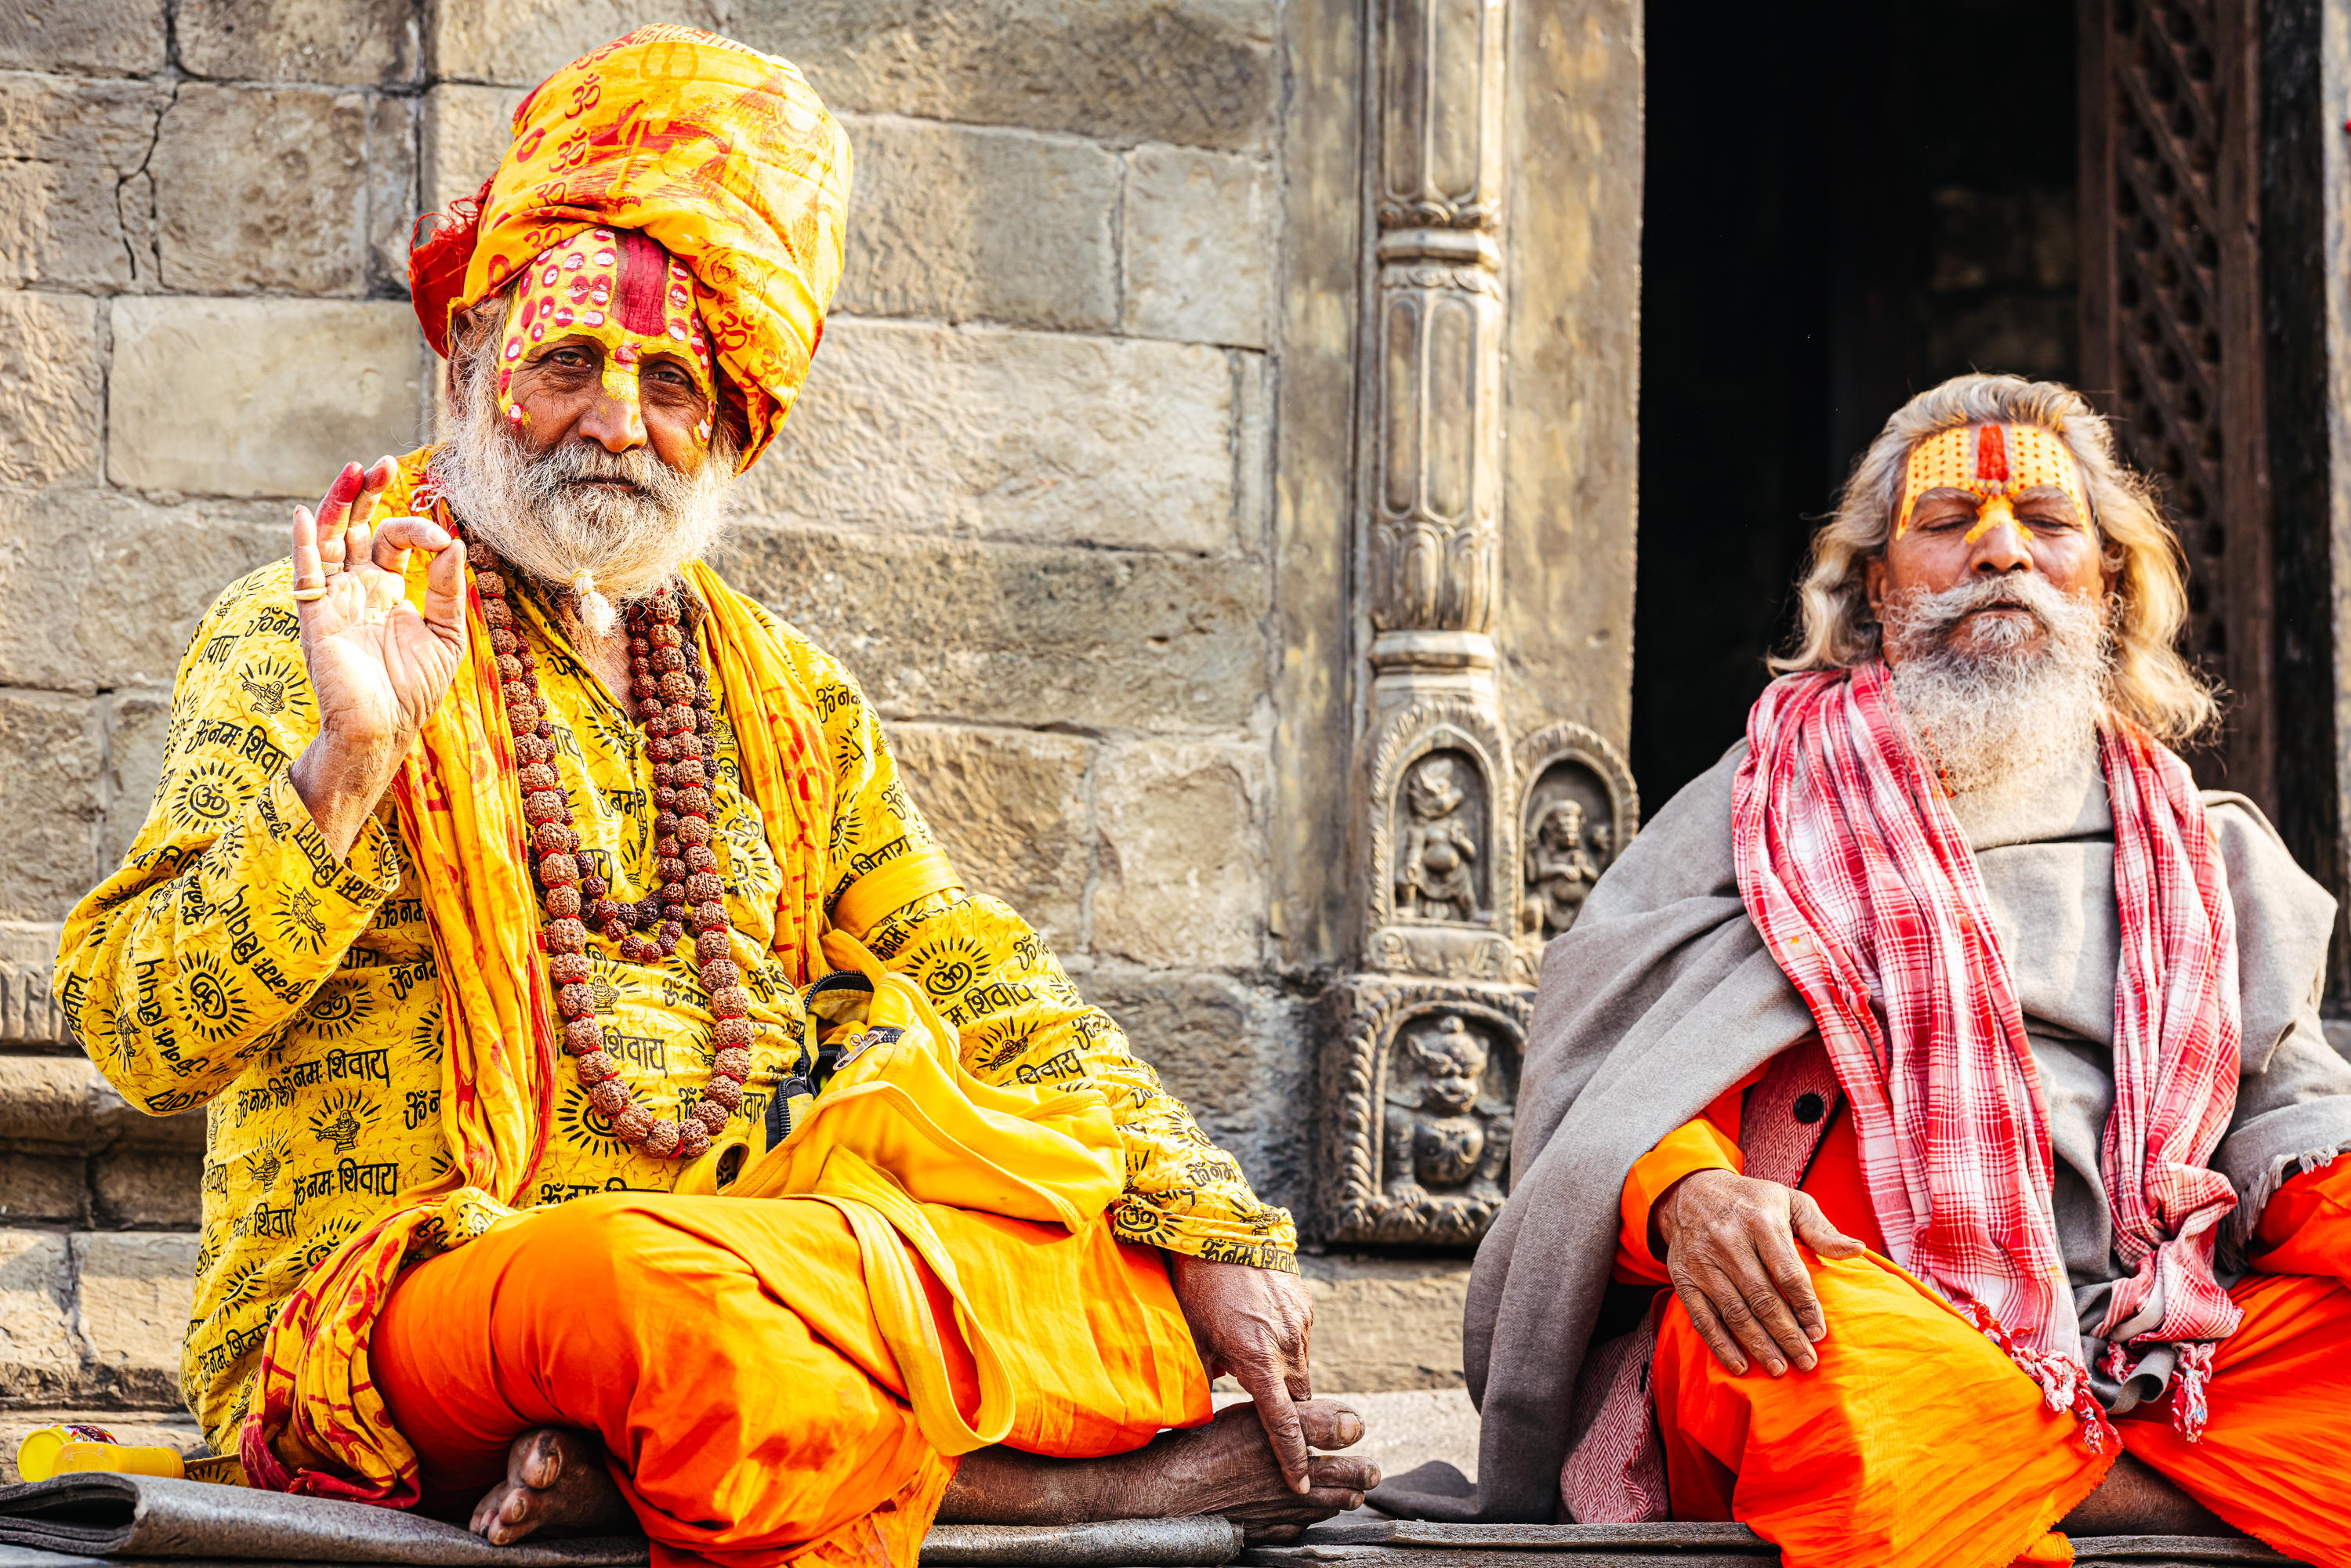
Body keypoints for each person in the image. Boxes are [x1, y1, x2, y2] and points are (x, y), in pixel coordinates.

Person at [54, 27, 1375, 1566]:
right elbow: (140, 1031)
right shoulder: (319, 626)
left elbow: (969, 959)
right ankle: (1103, 1490)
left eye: (670, 380)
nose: (616, 420)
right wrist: (347, 765)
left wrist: (1205, 1218)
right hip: (418, 1301)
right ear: (472, 368)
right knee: (648, 1297)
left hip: (762, 1255)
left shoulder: (783, 694)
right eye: (566, 364)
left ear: (732, 427)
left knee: (1130, 1295)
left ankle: (648, 1468)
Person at [1387, 375, 2351, 1568]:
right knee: (1811, 1359)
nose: (2000, 548)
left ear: (2105, 581)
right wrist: (1688, 1196)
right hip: (1847, 1308)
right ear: (1879, 588)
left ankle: (2030, 1472)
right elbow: (1606, 1072)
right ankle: (2109, 1480)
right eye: (1947, 525)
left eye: (2046, 524)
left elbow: (2290, 1110)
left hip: (2160, 1341)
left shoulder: (2205, 847)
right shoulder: (1753, 803)